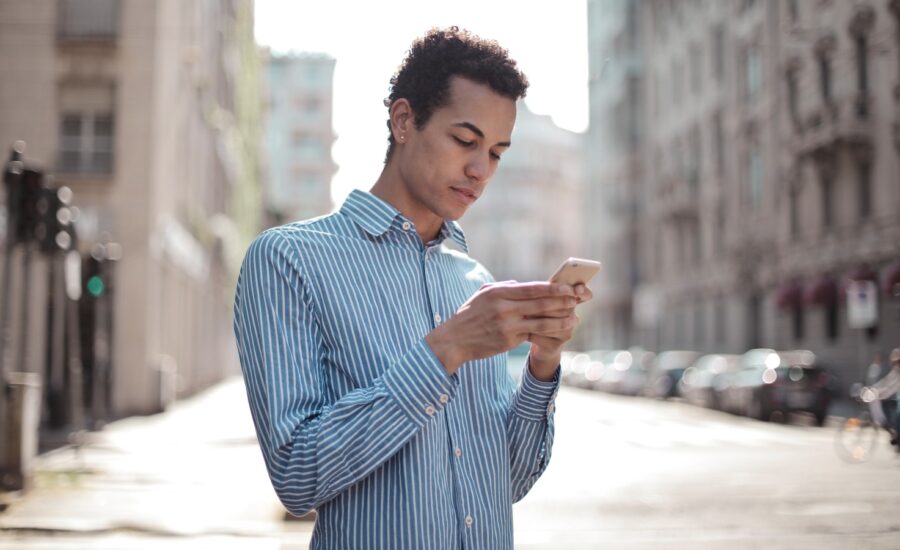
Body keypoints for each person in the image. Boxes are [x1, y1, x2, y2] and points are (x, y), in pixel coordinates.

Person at [233, 27, 592, 549]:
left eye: (496, 152)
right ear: (404, 120)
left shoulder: (473, 280)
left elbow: (505, 482)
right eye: (466, 141)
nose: (480, 170)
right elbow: (297, 476)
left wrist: (542, 364)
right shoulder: (289, 260)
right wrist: (447, 349)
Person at [870, 348, 900, 448]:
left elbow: (894, 386)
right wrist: (873, 390)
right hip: (897, 399)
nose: (895, 363)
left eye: (897, 361)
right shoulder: (895, 371)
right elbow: (886, 382)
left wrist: (884, 393)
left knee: (897, 417)